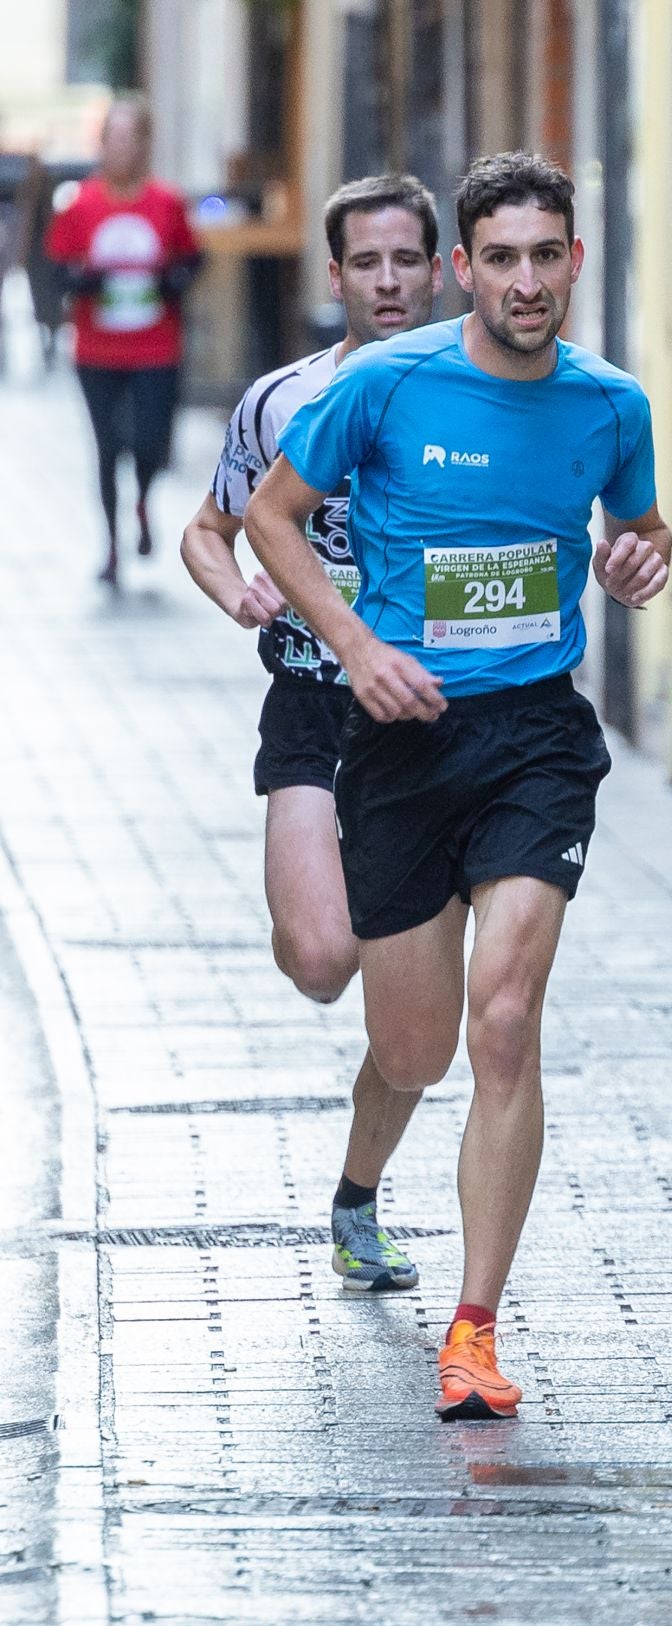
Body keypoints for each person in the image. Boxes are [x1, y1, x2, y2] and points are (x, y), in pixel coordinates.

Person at [245, 151, 670, 1420]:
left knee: (502, 1023)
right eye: (501, 257)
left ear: (574, 263)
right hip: (401, 745)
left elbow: (633, 532)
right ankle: (363, 1185)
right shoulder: (384, 384)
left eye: (547, 255)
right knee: (414, 1045)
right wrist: (360, 648)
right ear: (462, 269)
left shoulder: (610, 405)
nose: (526, 280)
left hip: (536, 735)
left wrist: (636, 558)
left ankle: (474, 1334)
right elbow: (272, 517)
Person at [181, 175, 444, 1293]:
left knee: (409, 1009)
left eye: (405, 261)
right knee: (322, 958)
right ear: (333, 277)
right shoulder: (281, 404)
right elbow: (209, 529)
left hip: (437, 719)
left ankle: (357, 1197)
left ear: (440, 268)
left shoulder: (481, 400)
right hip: (310, 700)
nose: (387, 281)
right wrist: (237, 588)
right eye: (365, 264)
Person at [45, 98, 201, 586]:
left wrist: (171, 280)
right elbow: (57, 270)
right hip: (98, 351)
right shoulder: (81, 204)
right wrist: (85, 282)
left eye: (128, 138)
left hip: (157, 347)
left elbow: (192, 260)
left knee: (152, 441)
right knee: (107, 446)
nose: (118, 148)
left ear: (145, 145)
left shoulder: (167, 202)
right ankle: (112, 548)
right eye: (110, 138)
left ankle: (144, 498)